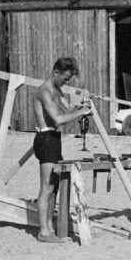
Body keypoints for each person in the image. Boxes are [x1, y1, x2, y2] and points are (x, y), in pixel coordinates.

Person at [32, 56, 91, 243]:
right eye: (64, 79)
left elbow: (68, 109)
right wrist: (81, 112)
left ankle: (49, 227)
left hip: (54, 139)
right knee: (46, 187)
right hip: (45, 138)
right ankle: (43, 231)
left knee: (54, 185)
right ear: (55, 73)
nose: (65, 83)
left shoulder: (56, 89)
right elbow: (57, 119)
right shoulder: (44, 91)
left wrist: (82, 103)